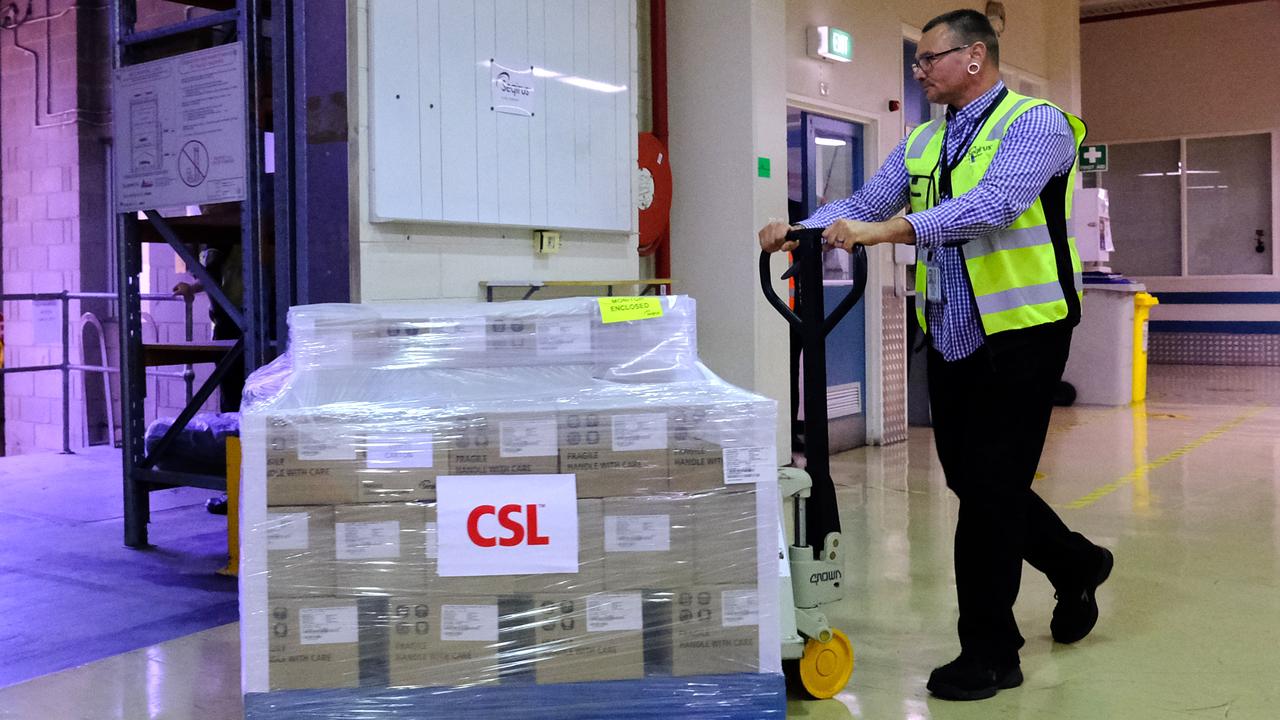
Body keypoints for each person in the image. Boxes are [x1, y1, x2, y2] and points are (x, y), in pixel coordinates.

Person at [760, 9, 1112, 702]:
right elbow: (867, 198)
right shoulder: (925, 141)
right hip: (952, 329)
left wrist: (886, 231)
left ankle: (990, 649)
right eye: (918, 61)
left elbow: (995, 204)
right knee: (977, 482)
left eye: (929, 59)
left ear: (974, 56)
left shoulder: (1037, 124)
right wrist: (797, 225)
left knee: (986, 491)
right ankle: (1076, 563)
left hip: (1024, 330)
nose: (919, 70)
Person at [174, 242, 245, 515]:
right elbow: (217, 279)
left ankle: (239, 489)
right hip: (227, 328)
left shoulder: (237, 234)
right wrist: (193, 288)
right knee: (231, 409)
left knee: (238, 410)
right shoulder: (216, 244)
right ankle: (235, 487)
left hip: (242, 326)